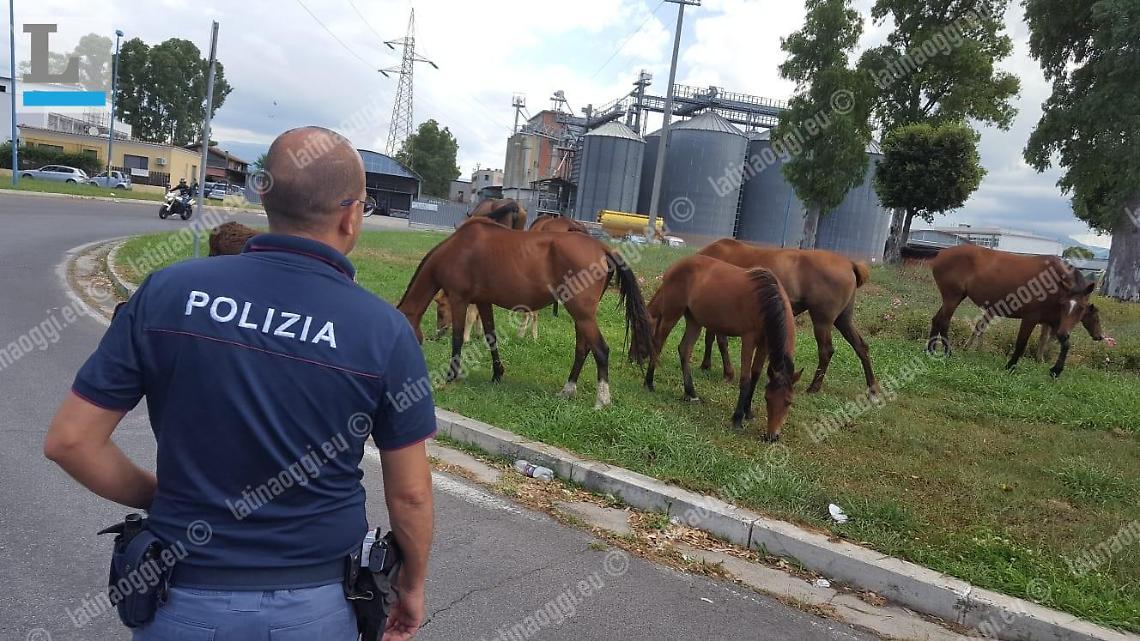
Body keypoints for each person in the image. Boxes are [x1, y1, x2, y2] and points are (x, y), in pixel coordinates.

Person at [45, 126, 436, 641]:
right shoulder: (383, 332)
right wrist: (411, 585)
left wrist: (160, 498)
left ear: (264, 196)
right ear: (352, 213)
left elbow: (71, 441)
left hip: (177, 598)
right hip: (314, 607)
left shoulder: (168, 292)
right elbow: (409, 495)